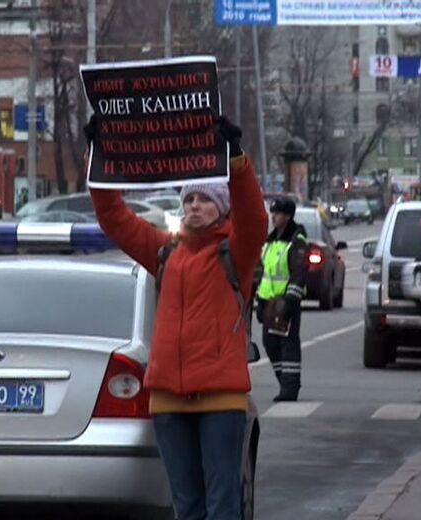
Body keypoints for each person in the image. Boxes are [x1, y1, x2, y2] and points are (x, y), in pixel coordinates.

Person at [86, 116, 268, 520]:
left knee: (222, 507)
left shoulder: (234, 253)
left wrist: (236, 161)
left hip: (221, 400)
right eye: (188, 200)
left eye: (204, 199)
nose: (194, 206)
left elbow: (255, 219)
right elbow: (114, 219)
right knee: (186, 508)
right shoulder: (165, 251)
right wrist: (98, 159)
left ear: (220, 207)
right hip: (169, 401)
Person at [255, 197, 308, 402]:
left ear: (288, 216)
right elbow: (263, 272)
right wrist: (260, 300)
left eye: (277, 213)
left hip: (285, 303)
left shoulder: (296, 240)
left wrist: (289, 301)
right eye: (273, 213)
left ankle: (290, 389)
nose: (273, 217)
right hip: (269, 304)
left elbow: (299, 272)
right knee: (271, 344)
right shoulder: (270, 241)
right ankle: (283, 381)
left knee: (288, 346)